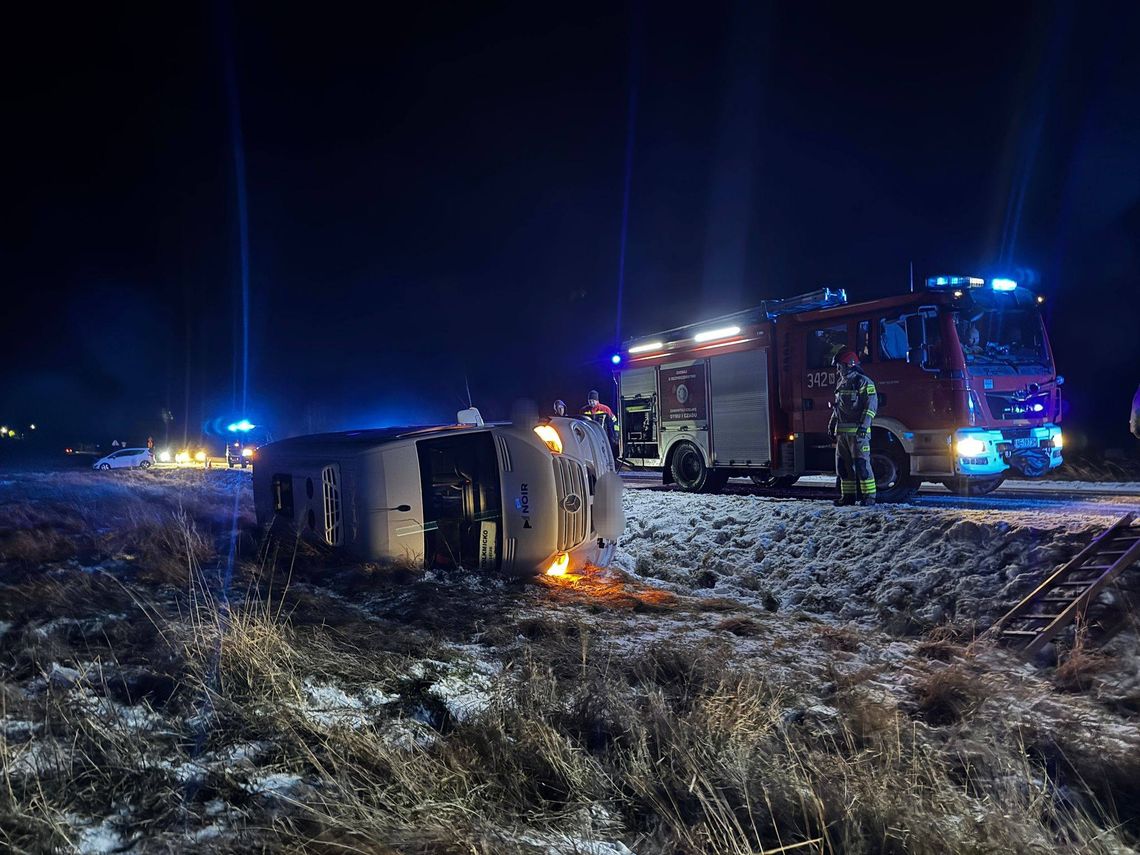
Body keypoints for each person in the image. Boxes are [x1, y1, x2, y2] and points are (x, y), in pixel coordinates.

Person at [828, 349, 879, 507]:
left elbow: (871, 406)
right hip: (842, 434)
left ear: (850, 365)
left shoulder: (863, 382)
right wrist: (831, 424)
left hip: (858, 434)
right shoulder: (841, 383)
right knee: (843, 468)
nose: (838, 370)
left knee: (862, 466)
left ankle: (869, 498)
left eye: (840, 366)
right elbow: (838, 408)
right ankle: (848, 497)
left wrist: (864, 426)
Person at [581, 390, 620, 462]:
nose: (591, 403)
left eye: (593, 400)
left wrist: (616, 435)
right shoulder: (584, 410)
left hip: (603, 436)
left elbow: (614, 421)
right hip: (589, 436)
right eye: (589, 401)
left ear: (597, 400)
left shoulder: (605, 409)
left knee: (604, 454)